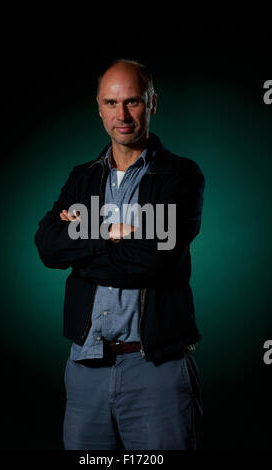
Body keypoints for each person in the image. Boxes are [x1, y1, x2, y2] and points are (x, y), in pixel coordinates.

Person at [34, 59, 205, 450]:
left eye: (132, 102)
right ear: (98, 107)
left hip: (156, 366)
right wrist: (111, 232)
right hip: (85, 366)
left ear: (152, 103)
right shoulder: (83, 177)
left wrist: (82, 240)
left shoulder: (180, 176)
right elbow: (48, 245)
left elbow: (154, 259)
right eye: (111, 104)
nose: (122, 115)